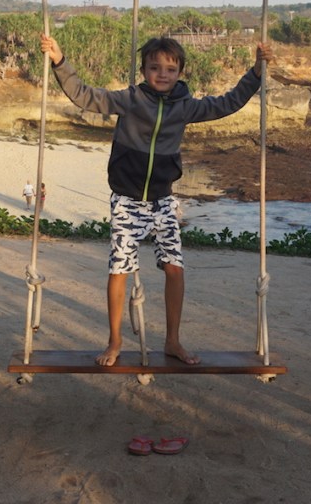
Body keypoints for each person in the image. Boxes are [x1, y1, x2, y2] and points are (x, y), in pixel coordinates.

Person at [40, 33, 273, 367]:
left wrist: (256, 72)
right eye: (154, 68)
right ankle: (115, 341)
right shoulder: (130, 100)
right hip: (127, 200)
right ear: (144, 70)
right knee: (119, 269)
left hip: (163, 200)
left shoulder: (186, 106)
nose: (162, 74)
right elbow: (84, 95)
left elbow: (228, 103)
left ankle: (173, 341)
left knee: (175, 269)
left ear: (180, 72)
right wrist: (59, 61)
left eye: (170, 69)